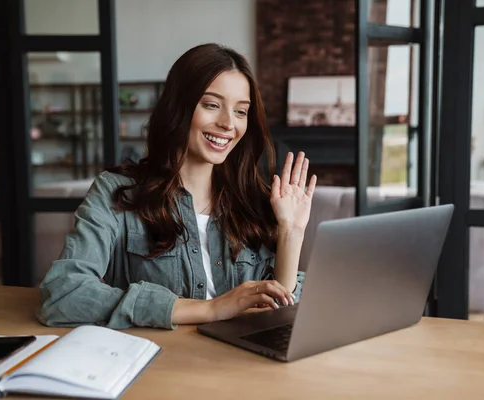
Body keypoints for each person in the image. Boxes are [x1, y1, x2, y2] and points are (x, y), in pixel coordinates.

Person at [36, 43, 317, 330]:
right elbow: (63, 294)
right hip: (158, 362)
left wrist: (291, 232)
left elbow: (278, 309)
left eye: (241, 111)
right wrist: (210, 309)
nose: (227, 124)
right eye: (211, 105)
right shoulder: (117, 192)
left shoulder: (251, 199)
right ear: (177, 107)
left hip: (241, 364)